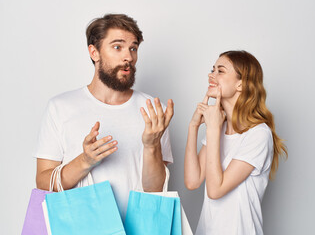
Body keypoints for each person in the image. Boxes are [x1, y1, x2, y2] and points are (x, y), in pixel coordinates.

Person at [34, 14, 174, 221]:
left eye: (133, 48)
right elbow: (43, 183)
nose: (128, 57)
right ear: (94, 52)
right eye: (117, 47)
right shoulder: (60, 107)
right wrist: (85, 161)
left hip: (137, 228)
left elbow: (156, 192)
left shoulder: (153, 110)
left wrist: (152, 145)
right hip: (81, 227)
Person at [184, 50, 287, 235]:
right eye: (212, 69)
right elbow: (192, 181)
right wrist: (193, 127)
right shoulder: (218, 128)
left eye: (220, 71)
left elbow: (216, 190)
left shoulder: (258, 135)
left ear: (241, 84)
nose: (211, 75)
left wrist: (213, 129)